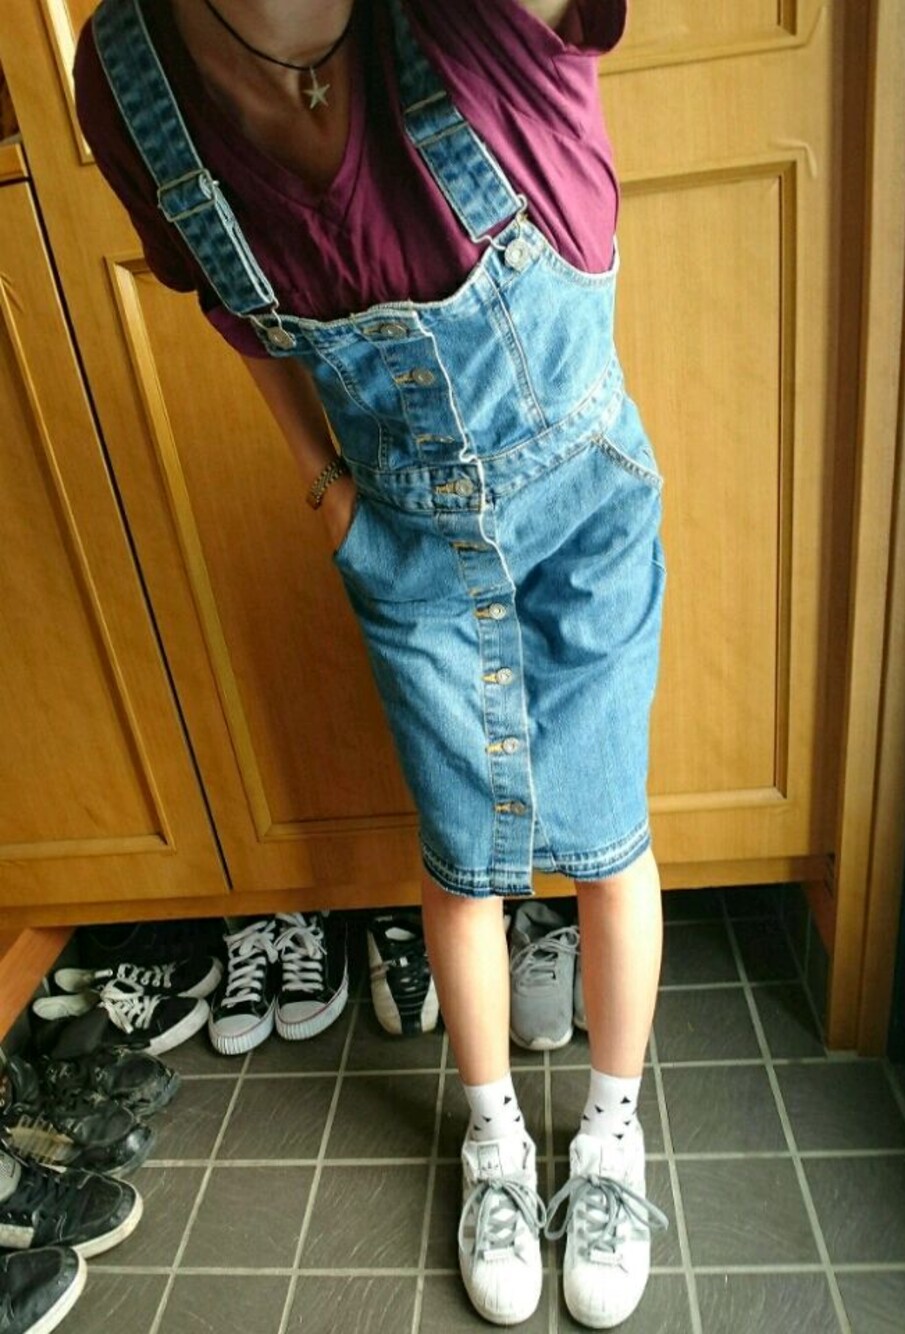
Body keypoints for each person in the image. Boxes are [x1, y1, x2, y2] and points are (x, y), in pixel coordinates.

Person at [74, 0, 669, 1324]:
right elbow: (234, 310)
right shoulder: (131, 76)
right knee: (459, 865)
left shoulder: (481, 26)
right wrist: (326, 491)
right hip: (404, 544)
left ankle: (611, 1137)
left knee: (609, 841)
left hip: (584, 514)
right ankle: (494, 1143)